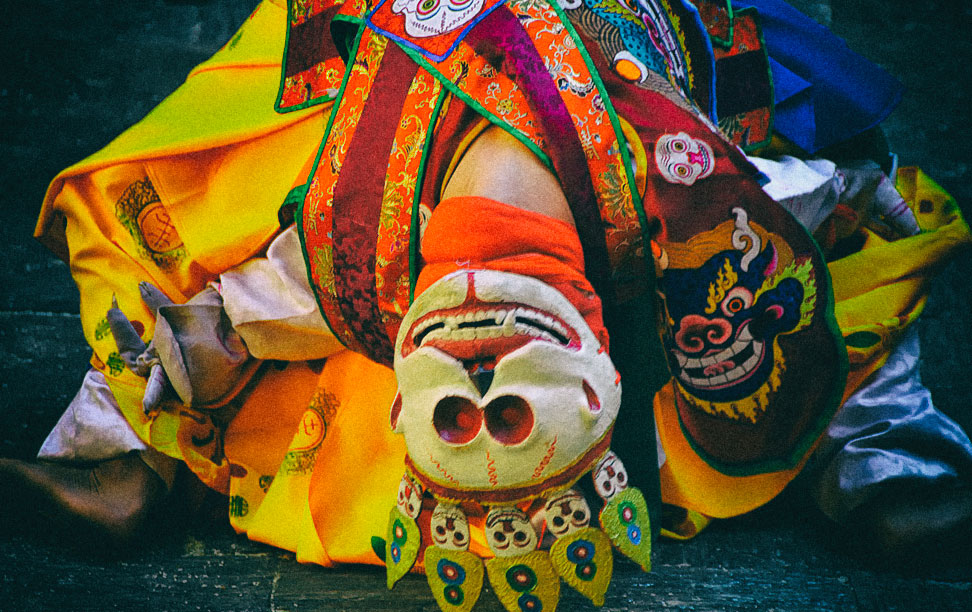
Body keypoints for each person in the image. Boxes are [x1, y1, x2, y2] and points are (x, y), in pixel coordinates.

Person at [2, 0, 970, 607]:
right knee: (791, 264)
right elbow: (816, 199)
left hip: (389, 165)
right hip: (635, 168)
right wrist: (848, 184)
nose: (480, 365)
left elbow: (264, 305)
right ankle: (883, 460)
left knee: (210, 227)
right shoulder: (678, 197)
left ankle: (122, 447)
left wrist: (208, 339)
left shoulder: (361, 252)